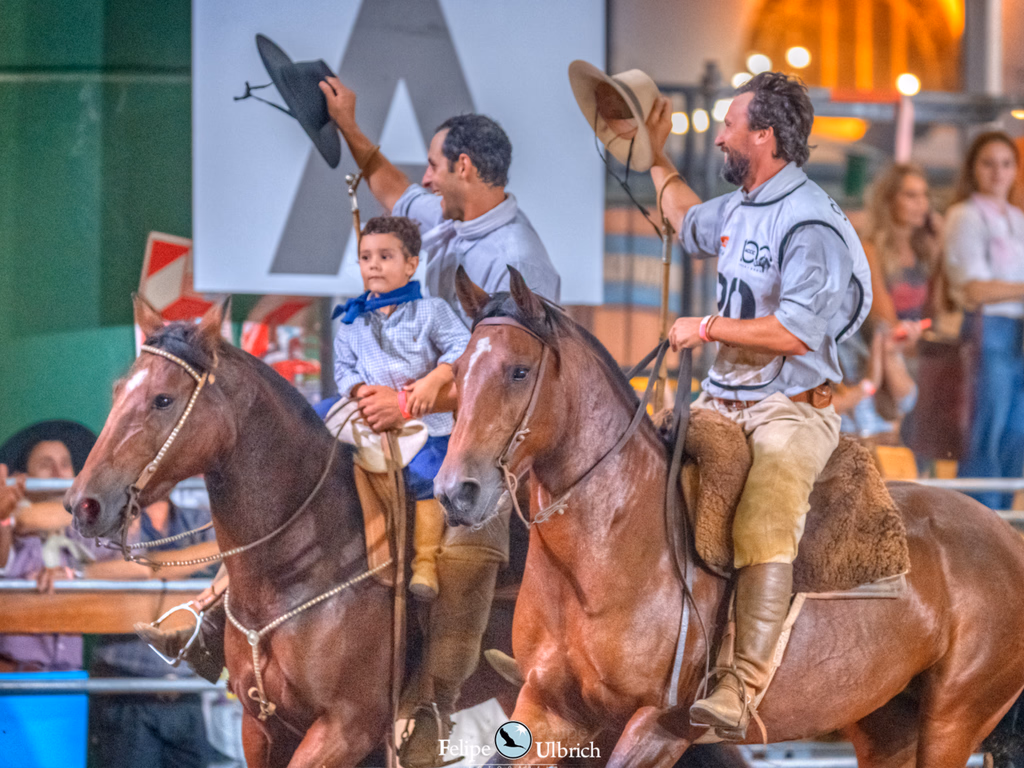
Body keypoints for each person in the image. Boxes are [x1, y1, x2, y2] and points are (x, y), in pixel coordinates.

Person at [650, 72, 871, 740]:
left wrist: (707, 328)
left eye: (730, 124)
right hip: (724, 398)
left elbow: (796, 331)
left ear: (764, 136)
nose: (719, 134)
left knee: (765, 521)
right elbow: (685, 219)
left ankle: (738, 687)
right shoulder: (742, 204)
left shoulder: (813, 224)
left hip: (790, 409)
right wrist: (651, 151)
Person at [332, 215, 470, 599]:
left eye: (385, 256)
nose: (373, 264)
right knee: (327, 444)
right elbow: (343, 366)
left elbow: (463, 347)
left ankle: (424, 561)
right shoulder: (353, 320)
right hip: (373, 420)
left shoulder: (432, 311)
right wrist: (358, 390)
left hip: (426, 422)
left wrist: (436, 379)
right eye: (365, 257)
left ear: (411, 264)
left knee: (429, 476)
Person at [89, 497, 221, 768]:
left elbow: (230, 552)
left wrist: (153, 566)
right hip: (127, 690)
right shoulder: (111, 521)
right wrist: (197, 557)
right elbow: (126, 567)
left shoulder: (199, 520)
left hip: (186, 693)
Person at [944, 132, 1024, 511]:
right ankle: (979, 525)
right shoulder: (964, 215)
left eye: (1006, 164)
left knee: (1017, 437)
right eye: (988, 163)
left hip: (1017, 333)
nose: (998, 172)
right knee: (984, 435)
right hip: (987, 330)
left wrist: (1008, 289)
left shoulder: (1018, 218)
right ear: (974, 169)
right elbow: (973, 290)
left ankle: (1004, 522)